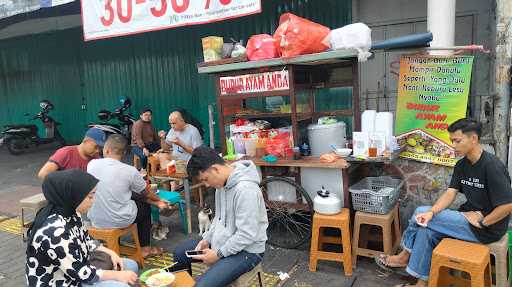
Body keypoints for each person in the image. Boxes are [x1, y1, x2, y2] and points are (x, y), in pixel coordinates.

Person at [377, 118, 512, 287]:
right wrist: (432, 212)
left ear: (474, 139)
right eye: (451, 141)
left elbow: (507, 205)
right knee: (426, 230)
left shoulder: (492, 166)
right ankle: (420, 284)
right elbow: (450, 193)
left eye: (457, 141)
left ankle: (404, 256)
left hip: (487, 228)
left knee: (419, 212)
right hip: (467, 217)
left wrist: (484, 222)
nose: (453, 145)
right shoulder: (462, 165)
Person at [172, 146, 268, 287]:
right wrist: (207, 239)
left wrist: (218, 254)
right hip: (224, 241)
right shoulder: (221, 185)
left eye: (205, 179)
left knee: (203, 285)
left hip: (248, 250)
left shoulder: (246, 190)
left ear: (215, 169)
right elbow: (219, 218)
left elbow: (247, 235)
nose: (206, 184)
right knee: (180, 254)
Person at [25, 169, 138, 287]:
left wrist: (110, 253)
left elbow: (86, 239)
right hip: (63, 281)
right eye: (90, 196)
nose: (93, 201)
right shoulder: (54, 232)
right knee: (121, 284)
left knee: (130, 265)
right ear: (72, 196)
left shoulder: (71, 212)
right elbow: (80, 273)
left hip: (80, 268)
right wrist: (117, 276)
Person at [87, 134, 170, 257]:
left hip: (96, 218)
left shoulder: (92, 164)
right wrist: (159, 199)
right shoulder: (130, 171)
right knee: (144, 208)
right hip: (119, 219)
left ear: (106, 150)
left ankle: (114, 244)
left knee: (125, 194)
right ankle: (145, 249)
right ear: (124, 152)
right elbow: (145, 192)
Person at [37, 128, 106, 179]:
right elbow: (43, 174)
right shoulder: (66, 152)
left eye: (100, 148)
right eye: (96, 146)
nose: (98, 151)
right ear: (85, 141)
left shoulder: (97, 158)